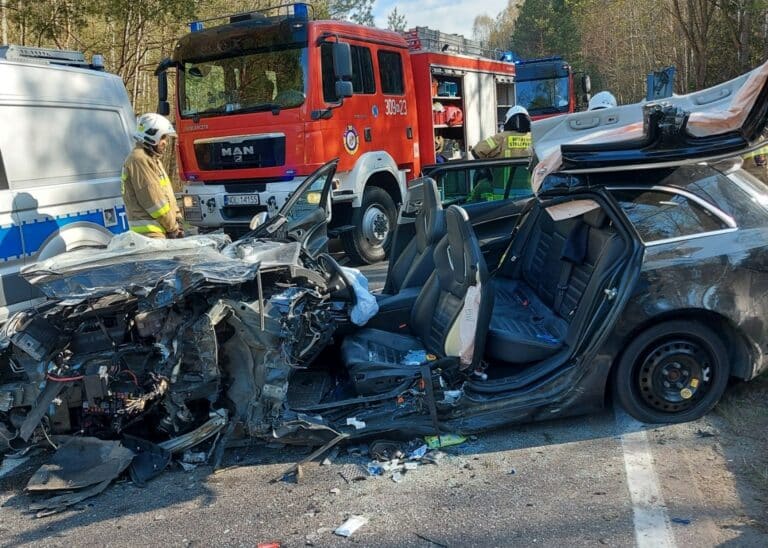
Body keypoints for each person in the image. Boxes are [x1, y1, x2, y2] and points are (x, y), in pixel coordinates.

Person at [121, 113, 183, 239]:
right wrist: (173, 227)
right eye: (163, 137)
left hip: (160, 230)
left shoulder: (151, 159)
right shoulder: (139, 160)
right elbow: (155, 203)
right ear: (151, 135)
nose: (165, 142)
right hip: (150, 234)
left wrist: (177, 218)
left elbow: (166, 193)